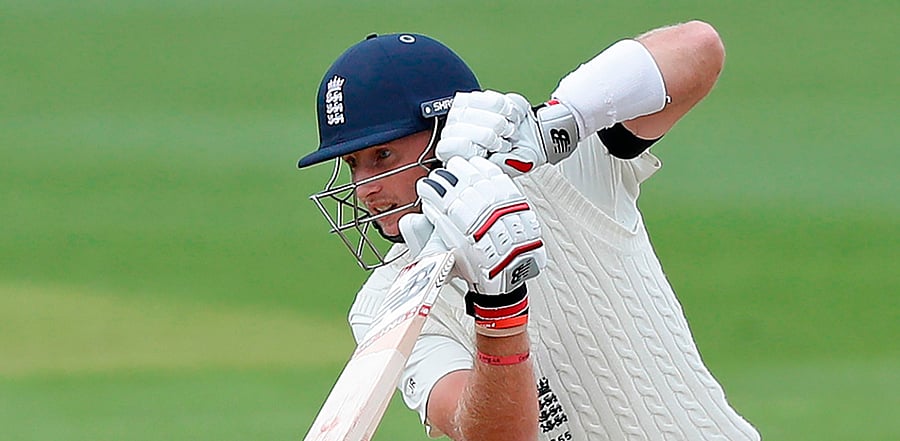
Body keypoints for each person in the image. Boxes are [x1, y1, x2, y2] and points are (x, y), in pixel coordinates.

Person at [298, 22, 760, 441]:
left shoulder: (564, 169)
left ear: (447, 128)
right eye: (353, 164)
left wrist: (556, 125)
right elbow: (491, 436)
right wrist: (498, 305)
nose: (365, 190)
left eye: (383, 157)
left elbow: (699, 48)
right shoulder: (386, 302)